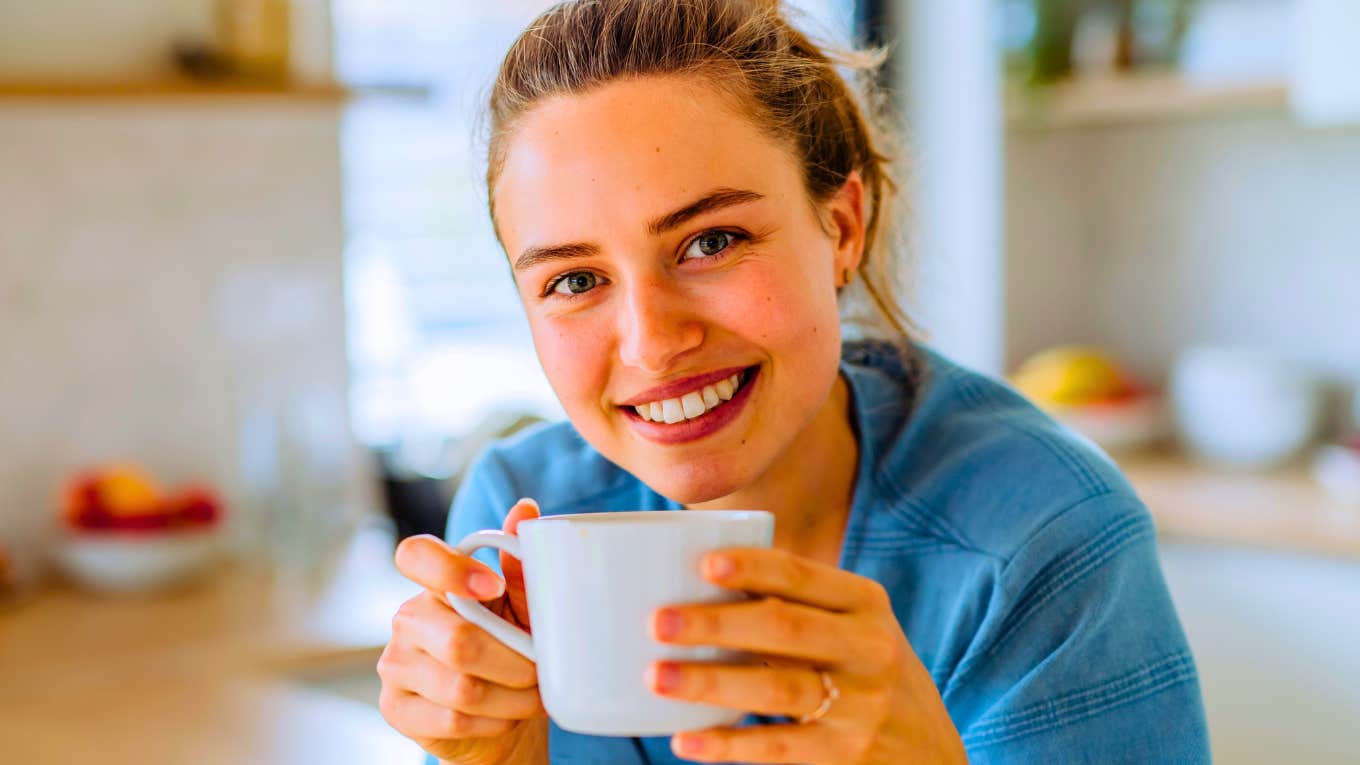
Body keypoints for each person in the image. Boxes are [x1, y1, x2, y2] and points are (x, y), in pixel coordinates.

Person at [376, 1, 1211, 763]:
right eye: (574, 280)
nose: (653, 344)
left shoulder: (1042, 542)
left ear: (841, 227)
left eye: (712, 242)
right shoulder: (518, 521)